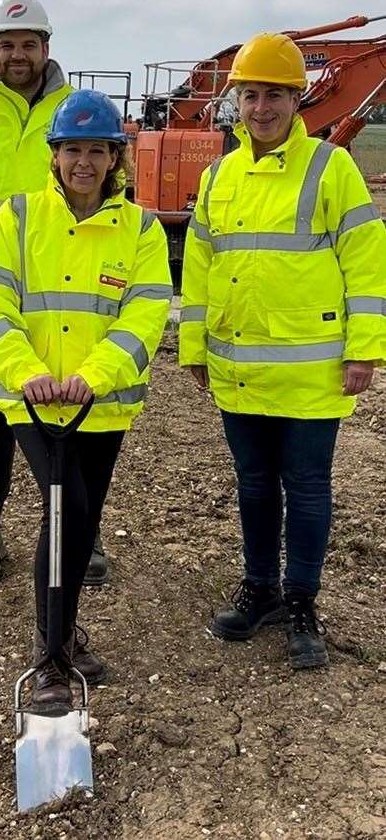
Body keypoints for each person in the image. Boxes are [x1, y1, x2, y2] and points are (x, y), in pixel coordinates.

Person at [179, 32, 386, 669]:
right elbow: (200, 266)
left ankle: (301, 600)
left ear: (298, 101)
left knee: (308, 486)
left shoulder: (331, 167)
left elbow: (366, 262)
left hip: (312, 368)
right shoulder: (218, 177)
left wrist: (365, 351)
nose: (261, 107)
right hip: (239, 366)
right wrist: (193, 346)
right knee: (254, 485)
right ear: (235, 101)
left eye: (274, 95)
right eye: (251, 95)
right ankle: (261, 589)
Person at [0, 89, 172, 712]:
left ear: (116, 158)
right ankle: (50, 658)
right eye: (71, 150)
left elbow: (145, 310)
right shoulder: (19, 217)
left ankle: (64, 632)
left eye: (97, 151)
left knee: (83, 520)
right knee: (67, 509)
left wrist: (96, 373)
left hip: (98, 402)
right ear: (53, 156)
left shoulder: (140, 228)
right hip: (32, 402)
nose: (83, 162)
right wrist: (25, 371)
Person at [0, 0, 114, 590]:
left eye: (29, 44)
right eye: (7, 44)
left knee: (71, 417)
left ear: (47, 47)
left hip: (67, 294)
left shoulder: (74, 109)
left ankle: (77, 535)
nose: (18, 55)